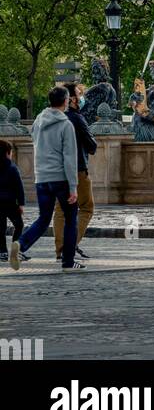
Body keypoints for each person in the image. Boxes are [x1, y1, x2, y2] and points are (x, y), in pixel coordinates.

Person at [10, 85, 83, 273]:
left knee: (43, 218)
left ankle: (21, 244)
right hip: (61, 178)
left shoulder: (39, 121)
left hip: (41, 178)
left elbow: (34, 140)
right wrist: (73, 186)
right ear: (65, 101)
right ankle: (68, 261)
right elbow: (69, 157)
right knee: (70, 219)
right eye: (68, 99)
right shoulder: (66, 125)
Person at [52, 80, 97, 262]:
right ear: (71, 99)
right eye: (79, 94)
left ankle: (60, 249)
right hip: (78, 169)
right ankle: (70, 246)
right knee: (86, 207)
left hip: (57, 170)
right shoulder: (77, 118)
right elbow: (91, 145)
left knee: (60, 210)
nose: (81, 98)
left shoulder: (56, 117)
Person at [0, 139, 26, 264]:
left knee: (0, 228)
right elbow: (18, 187)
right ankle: (16, 250)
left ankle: (2, 252)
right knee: (19, 225)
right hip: (10, 202)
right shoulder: (12, 167)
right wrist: (21, 203)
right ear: (7, 153)